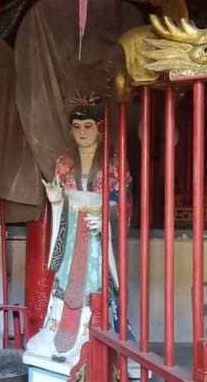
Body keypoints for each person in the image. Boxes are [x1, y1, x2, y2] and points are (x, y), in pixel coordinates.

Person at [24, 94, 131, 367]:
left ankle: (94, 334)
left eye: (88, 126)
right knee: (66, 280)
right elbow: (62, 198)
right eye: (77, 126)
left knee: (96, 280)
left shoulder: (114, 162)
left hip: (97, 234)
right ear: (70, 130)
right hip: (71, 230)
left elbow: (125, 200)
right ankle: (58, 330)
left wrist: (107, 219)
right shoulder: (64, 161)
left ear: (100, 128)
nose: (82, 132)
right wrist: (56, 200)